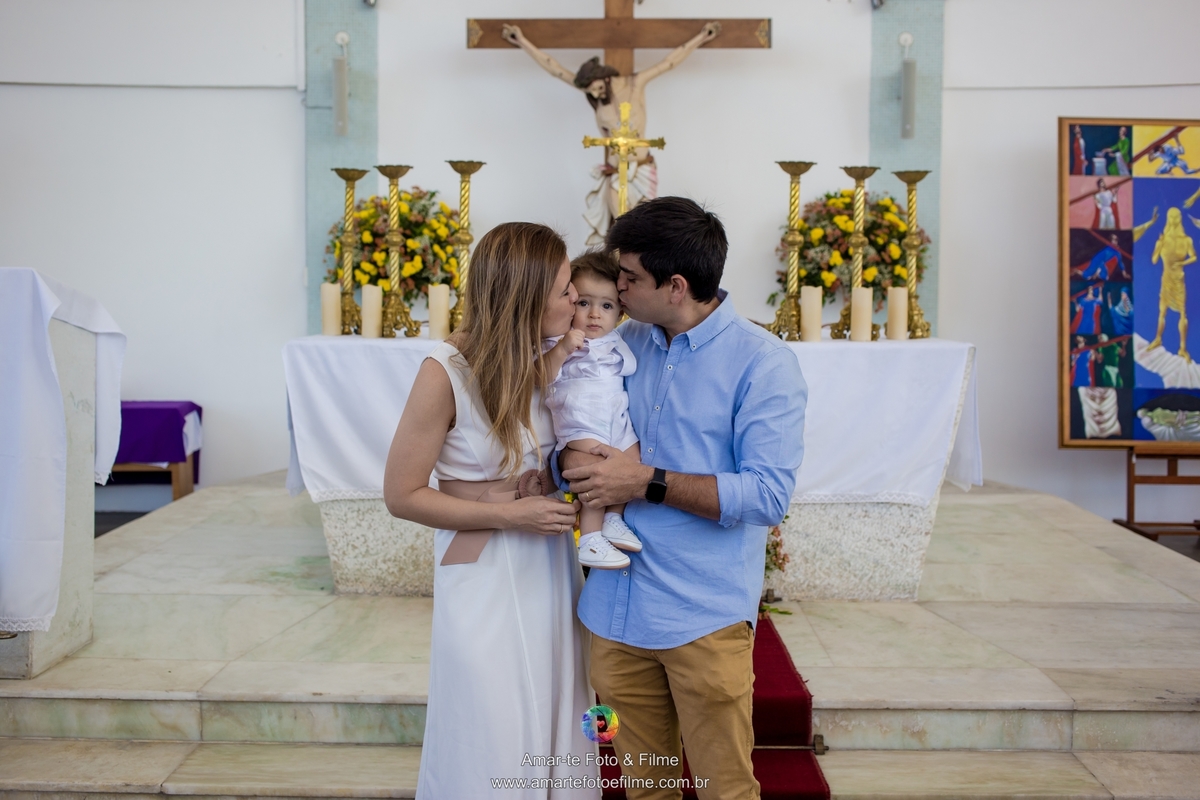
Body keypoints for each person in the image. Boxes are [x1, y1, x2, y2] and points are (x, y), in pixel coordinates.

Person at [559, 197, 807, 798]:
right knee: (648, 787)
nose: (616, 288)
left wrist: (647, 481)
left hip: (701, 615)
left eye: (628, 277)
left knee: (726, 789)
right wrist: (556, 466)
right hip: (615, 609)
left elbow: (768, 495)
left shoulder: (763, 363)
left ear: (675, 286)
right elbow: (574, 420)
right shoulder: (621, 342)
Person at [383, 222, 598, 799]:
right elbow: (401, 494)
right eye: (564, 291)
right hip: (482, 572)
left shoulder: (550, 356)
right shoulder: (445, 371)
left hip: (550, 568)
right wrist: (512, 515)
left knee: (559, 705)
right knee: (492, 723)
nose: (575, 299)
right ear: (525, 297)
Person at [501, 21, 721, 244]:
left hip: (641, 170)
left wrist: (702, 37)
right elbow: (555, 70)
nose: (596, 95)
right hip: (615, 171)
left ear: (605, 78)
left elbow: (669, 63)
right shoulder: (595, 96)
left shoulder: (635, 84)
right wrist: (522, 41)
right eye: (591, 92)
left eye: (597, 88)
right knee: (619, 227)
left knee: (645, 226)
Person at [543, 250, 643, 569]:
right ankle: (589, 539)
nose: (595, 315)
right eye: (584, 303)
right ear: (571, 301)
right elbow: (539, 376)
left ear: (620, 312)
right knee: (599, 470)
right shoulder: (559, 339)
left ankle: (613, 518)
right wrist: (561, 349)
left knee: (634, 459)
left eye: (606, 306)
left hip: (616, 419)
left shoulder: (617, 340)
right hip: (579, 419)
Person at [1147, 207, 1199, 362]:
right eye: (1171, 217)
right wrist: (1159, 245)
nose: (1174, 220)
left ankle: (1182, 348)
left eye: (1176, 217)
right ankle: (1158, 338)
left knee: (1183, 313)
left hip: (1179, 280)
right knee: (1162, 311)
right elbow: (1154, 260)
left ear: (1180, 219)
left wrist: (1182, 263)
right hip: (1166, 279)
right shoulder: (1162, 240)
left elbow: (1194, 256)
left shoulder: (1186, 240)